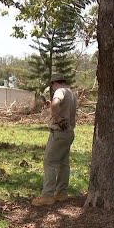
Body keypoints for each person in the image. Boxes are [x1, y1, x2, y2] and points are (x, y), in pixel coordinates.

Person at [32, 73, 77, 207]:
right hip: (69, 133)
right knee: (63, 163)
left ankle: (47, 195)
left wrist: (57, 119)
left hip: (59, 133)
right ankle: (61, 193)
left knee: (49, 162)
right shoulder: (71, 93)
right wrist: (52, 106)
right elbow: (60, 107)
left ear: (53, 83)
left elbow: (56, 104)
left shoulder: (59, 91)